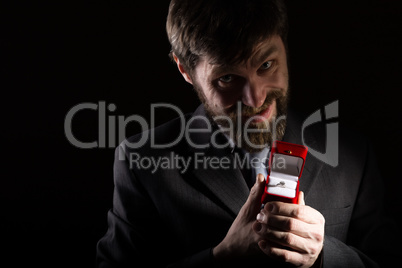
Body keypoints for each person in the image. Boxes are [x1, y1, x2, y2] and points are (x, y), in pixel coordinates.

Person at [96, 0, 399, 267]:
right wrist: (222, 257)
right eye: (227, 78)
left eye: (266, 65)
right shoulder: (141, 161)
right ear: (185, 70)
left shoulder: (352, 153)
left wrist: (324, 256)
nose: (255, 100)